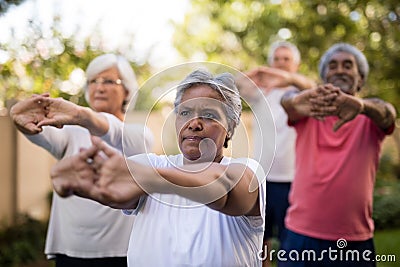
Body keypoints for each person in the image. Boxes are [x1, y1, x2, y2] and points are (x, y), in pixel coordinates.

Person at [49, 69, 267, 266]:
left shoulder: (246, 171)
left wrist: (150, 179)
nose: (194, 122)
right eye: (185, 112)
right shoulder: (151, 165)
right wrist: (83, 179)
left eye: (209, 115)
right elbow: (116, 189)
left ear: (230, 128)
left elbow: (223, 189)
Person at [10, 54, 153, 267]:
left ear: (127, 91)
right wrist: (20, 120)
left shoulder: (137, 134)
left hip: (121, 252)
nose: (99, 87)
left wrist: (81, 115)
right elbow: (38, 132)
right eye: (93, 81)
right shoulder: (70, 132)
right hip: (70, 251)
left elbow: (113, 131)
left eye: (108, 81)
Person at [279, 43, 396, 266]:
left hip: (354, 240)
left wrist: (361, 106)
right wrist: (294, 101)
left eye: (347, 65)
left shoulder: (370, 117)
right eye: (332, 66)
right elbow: (288, 101)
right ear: (324, 78)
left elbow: (388, 113)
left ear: (360, 80)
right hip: (301, 235)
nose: (339, 70)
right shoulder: (307, 112)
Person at [237, 41, 316, 266]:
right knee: (260, 237)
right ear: (270, 63)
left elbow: (313, 86)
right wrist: (257, 74)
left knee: (289, 238)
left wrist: (288, 79)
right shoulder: (259, 94)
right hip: (261, 178)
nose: (281, 64)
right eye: (277, 59)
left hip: (292, 180)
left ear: (296, 65)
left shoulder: (301, 95)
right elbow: (230, 85)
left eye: (286, 59)